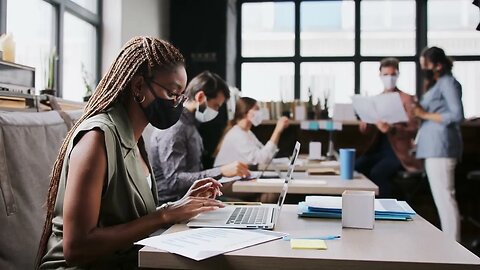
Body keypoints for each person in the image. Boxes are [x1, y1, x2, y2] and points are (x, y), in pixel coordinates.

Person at [37, 37, 224, 269]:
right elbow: (77, 248)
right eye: (172, 93)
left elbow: (129, 219)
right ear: (138, 86)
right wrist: (164, 216)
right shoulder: (97, 139)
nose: (177, 103)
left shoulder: (135, 138)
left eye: (181, 96)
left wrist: (179, 206)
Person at [149, 71, 250, 204]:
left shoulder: (189, 124)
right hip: (174, 205)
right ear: (201, 97)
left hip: (191, 200)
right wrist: (221, 171)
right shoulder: (176, 127)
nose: (216, 112)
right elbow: (174, 181)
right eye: (216, 106)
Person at [413, 46, 464, 241]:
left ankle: (454, 245)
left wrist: (424, 114)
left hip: (442, 148)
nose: (423, 68)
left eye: (426, 64)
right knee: (441, 198)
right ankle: (450, 242)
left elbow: (457, 115)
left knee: (445, 198)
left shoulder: (448, 83)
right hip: (433, 148)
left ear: (438, 65)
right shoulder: (437, 84)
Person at [355, 57, 422, 198]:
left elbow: (414, 128)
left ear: (398, 75)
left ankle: (384, 210)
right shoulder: (375, 99)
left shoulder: (407, 99)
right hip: (378, 149)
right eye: (386, 75)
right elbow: (367, 131)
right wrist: (366, 123)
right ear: (380, 75)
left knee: (378, 173)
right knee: (355, 168)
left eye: (392, 74)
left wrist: (392, 129)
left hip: (397, 152)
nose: (389, 78)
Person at [214, 97, 289, 167]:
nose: (260, 112)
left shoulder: (247, 132)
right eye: (256, 109)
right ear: (245, 112)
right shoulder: (237, 135)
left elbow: (265, 154)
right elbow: (262, 159)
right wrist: (277, 130)